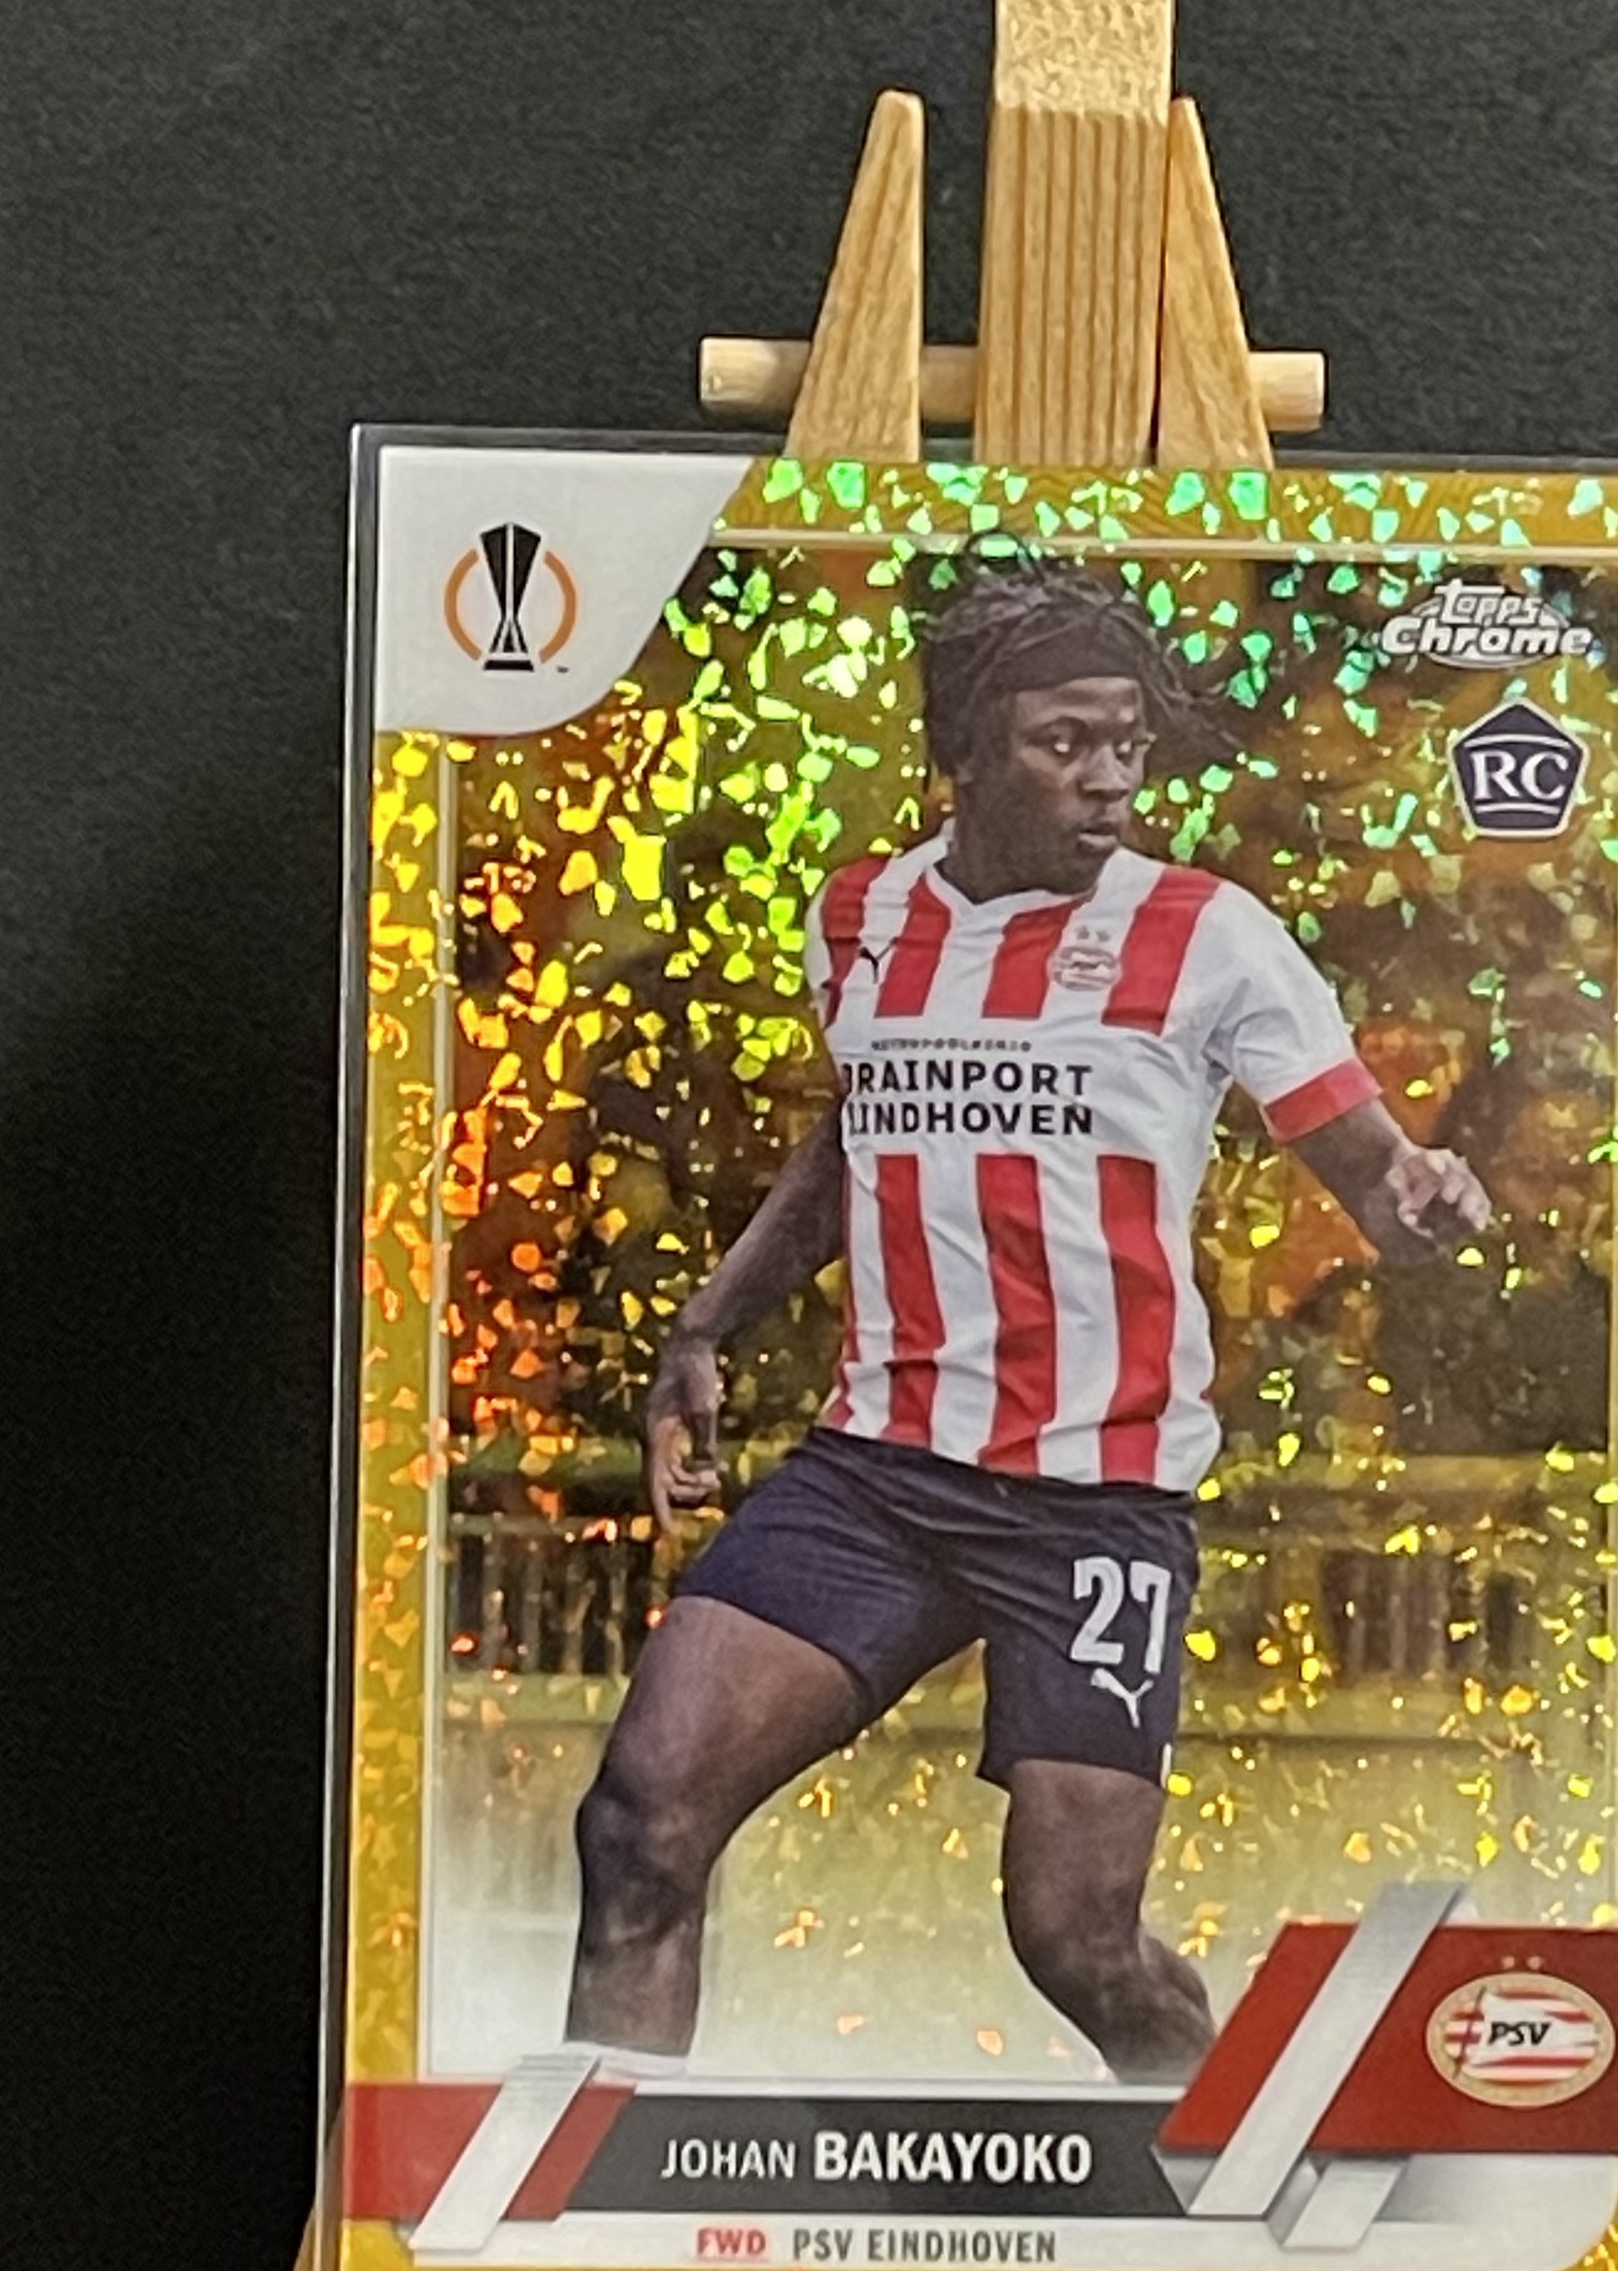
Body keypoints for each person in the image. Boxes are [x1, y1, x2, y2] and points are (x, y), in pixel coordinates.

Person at [564, 564, 1490, 2080]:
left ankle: (1238, 2167)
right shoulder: (861, 914)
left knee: (1077, 1940)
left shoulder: (1210, 935)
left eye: (1127, 743)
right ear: (968, 749)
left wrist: (1426, 1198)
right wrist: (704, 1329)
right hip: (878, 1476)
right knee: (638, 1828)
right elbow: (856, 1142)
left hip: (1095, 1498)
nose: (1110, 778)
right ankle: (595, 2204)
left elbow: (1378, 1179)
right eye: (1068, 743)